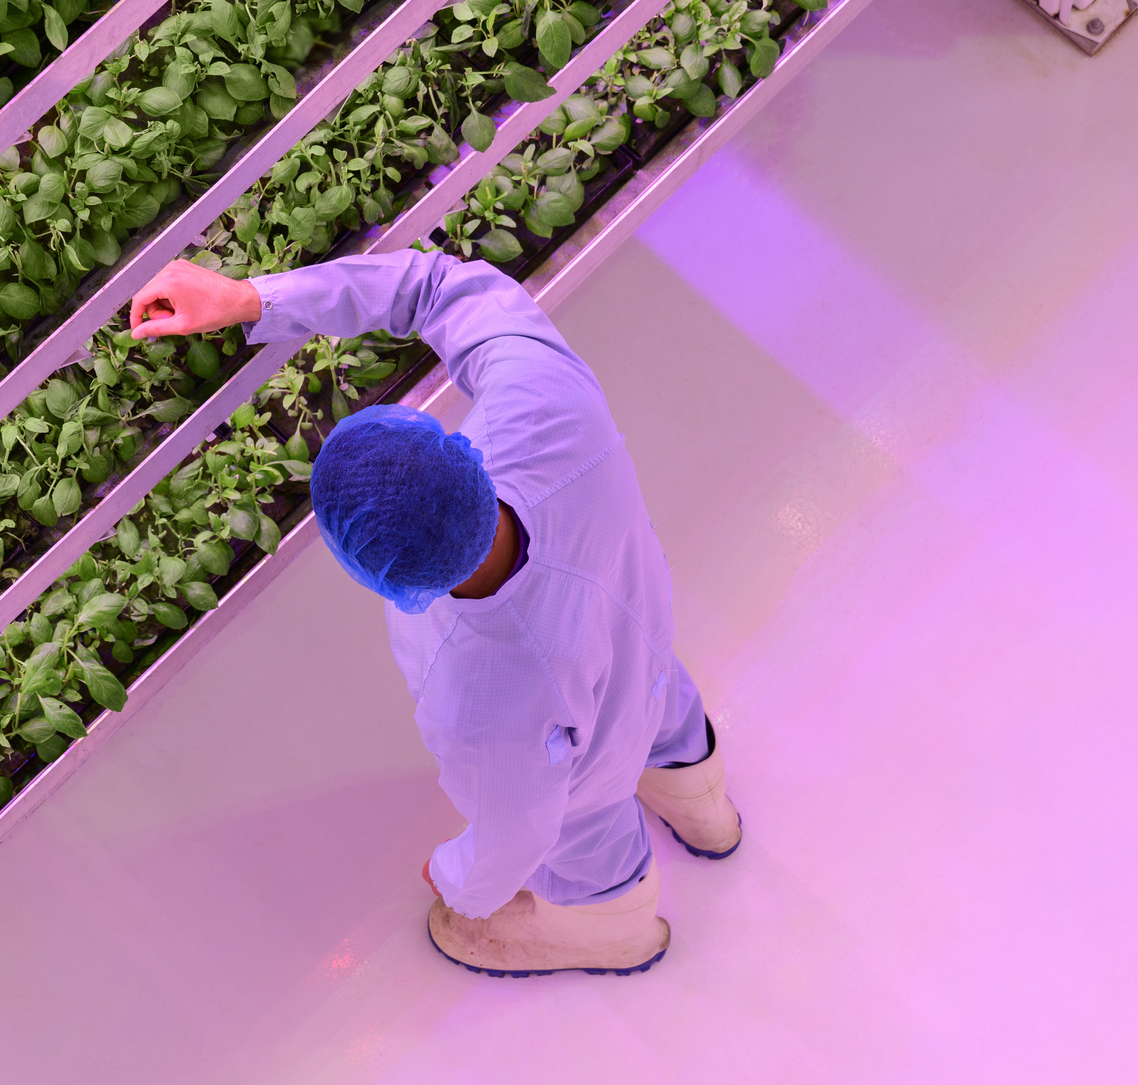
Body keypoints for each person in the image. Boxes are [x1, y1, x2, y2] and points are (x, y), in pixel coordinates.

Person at [128, 250, 742, 977]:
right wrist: (250, 297)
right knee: (659, 705)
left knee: (583, 817)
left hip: (591, 759)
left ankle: (614, 920)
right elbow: (439, 287)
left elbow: (517, 824)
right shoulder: (544, 404)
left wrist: (458, 878)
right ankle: (701, 802)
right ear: (455, 449)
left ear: (386, 580)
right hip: (645, 646)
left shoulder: (477, 691)